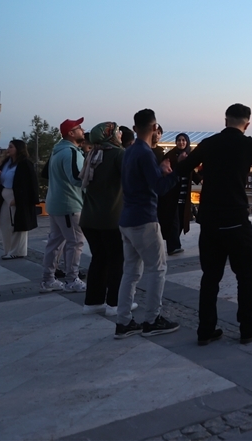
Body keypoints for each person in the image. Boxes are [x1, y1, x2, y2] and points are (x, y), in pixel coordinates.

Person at [174, 103, 252, 345]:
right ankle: (246, 327)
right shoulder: (249, 144)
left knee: (210, 277)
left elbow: (182, 169)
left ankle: (206, 330)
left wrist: (182, 158)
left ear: (225, 120)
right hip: (236, 220)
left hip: (210, 221)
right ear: (247, 124)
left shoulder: (209, 143)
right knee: (246, 276)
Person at [114, 109, 180, 339]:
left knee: (130, 272)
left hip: (127, 219)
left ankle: (123, 322)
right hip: (144, 220)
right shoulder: (145, 153)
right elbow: (158, 188)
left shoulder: (130, 152)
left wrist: (159, 170)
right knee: (157, 269)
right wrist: (175, 173)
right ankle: (152, 320)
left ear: (134, 128)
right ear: (154, 128)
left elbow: (142, 180)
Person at [78, 122, 126, 315]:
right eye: (117, 132)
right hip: (111, 217)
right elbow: (130, 179)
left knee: (99, 259)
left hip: (89, 218)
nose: (120, 135)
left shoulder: (93, 154)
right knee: (116, 260)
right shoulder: (118, 154)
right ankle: (115, 303)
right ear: (110, 135)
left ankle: (93, 302)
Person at [40, 117, 87, 293]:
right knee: (75, 242)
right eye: (79, 128)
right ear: (71, 133)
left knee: (55, 242)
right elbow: (76, 178)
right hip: (69, 205)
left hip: (56, 203)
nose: (83, 130)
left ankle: (48, 279)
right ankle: (72, 279)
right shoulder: (71, 152)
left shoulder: (57, 151)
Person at [0, 139, 39, 260]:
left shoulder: (25, 164)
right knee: (5, 224)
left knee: (18, 225)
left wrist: (20, 200)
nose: (8, 149)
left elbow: (29, 184)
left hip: (18, 198)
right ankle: (8, 249)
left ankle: (17, 251)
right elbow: (0, 182)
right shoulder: (6, 163)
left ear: (18, 149)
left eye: (11, 147)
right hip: (5, 197)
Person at [159, 132, 193, 255]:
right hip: (172, 193)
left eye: (184, 140)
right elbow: (169, 172)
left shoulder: (189, 155)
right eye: (179, 140)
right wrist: (178, 162)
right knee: (173, 219)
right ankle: (173, 246)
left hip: (183, 193)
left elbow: (193, 174)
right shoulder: (170, 155)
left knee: (180, 219)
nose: (181, 142)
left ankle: (174, 243)